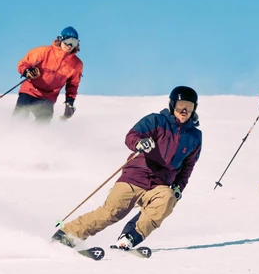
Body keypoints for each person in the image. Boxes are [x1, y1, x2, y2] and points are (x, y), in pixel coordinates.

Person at [52, 86, 202, 249]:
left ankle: (130, 237)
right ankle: (67, 234)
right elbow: (132, 136)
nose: (184, 110)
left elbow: (188, 166)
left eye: (189, 106)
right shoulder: (156, 120)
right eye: (181, 105)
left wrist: (179, 187)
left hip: (160, 184)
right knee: (112, 212)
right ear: (173, 105)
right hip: (134, 177)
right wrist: (140, 143)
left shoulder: (194, 136)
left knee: (167, 199)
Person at [14, 26, 83, 122]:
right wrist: (27, 72)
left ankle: (37, 137)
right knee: (19, 118)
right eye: (67, 41)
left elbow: (73, 85)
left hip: (47, 98)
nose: (70, 45)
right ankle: (11, 135)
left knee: (43, 123)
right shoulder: (43, 52)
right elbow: (23, 64)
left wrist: (69, 102)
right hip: (30, 91)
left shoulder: (76, 64)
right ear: (60, 39)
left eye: (74, 42)